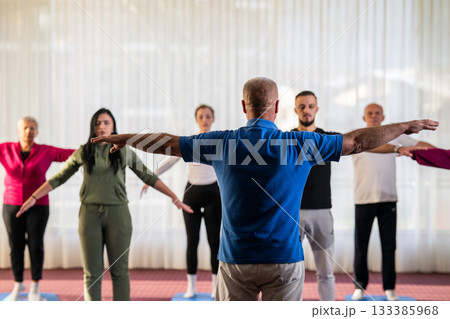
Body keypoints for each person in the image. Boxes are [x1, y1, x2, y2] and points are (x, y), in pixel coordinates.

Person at [91, 77, 438, 301]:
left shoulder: (220, 143)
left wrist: (123, 137)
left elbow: (167, 142)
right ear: (276, 108)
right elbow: (359, 142)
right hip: (284, 261)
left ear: (244, 107)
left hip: (235, 260)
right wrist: (406, 125)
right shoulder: (300, 143)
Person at [17, 108, 192, 301]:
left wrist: (174, 196)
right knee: (92, 274)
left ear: (114, 126)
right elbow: (59, 177)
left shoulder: (123, 150)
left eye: (106, 123)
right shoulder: (84, 151)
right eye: (98, 123)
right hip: (89, 214)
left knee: (120, 271)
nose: (102, 127)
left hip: (118, 215)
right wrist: (34, 197)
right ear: (93, 127)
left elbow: (147, 176)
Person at [351, 103, 436, 301]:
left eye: (377, 113)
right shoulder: (358, 136)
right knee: (360, 247)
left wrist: (443, 153)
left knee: (389, 247)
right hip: (363, 200)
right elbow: (372, 146)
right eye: (369, 113)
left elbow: (419, 145)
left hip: (388, 199)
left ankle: (389, 288)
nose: (373, 116)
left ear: (383, 116)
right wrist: (398, 148)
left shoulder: (393, 135)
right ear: (364, 117)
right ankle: (359, 287)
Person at [142, 104, 222, 298]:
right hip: (192, 195)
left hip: (213, 194)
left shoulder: (219, 142)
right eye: (201, 116)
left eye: (207, 116)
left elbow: (233, 163)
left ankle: (214, 286)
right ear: (197, 119)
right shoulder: (190, 142)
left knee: (214, 242)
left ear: (212, 119)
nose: (204, 119)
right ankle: (191, 287)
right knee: (192, 241)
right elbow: (170, 159)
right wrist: (151, 177)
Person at [0, 117, 75, 301]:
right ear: (19, 131)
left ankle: (35, 286)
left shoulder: (45, 151)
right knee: (15, 246)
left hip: (38, 206)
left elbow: (72, 154)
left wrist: (96, 147)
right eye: (25, 128)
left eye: (32, 128)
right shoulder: (5, 149)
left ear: (37, 132)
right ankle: (18, 284)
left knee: (35, 245)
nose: (28, 131)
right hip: (11, 205)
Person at [291, 91, 339, 301]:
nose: (306, 110)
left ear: (316, 109)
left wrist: (398, 147)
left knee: (326, 272)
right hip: (292, 212)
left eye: (310, 106)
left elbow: (361, 143)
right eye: (302, 106)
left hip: (322, 212)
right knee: (290, 273)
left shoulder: (328, 139)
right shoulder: (286, 139)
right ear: (295, 110)